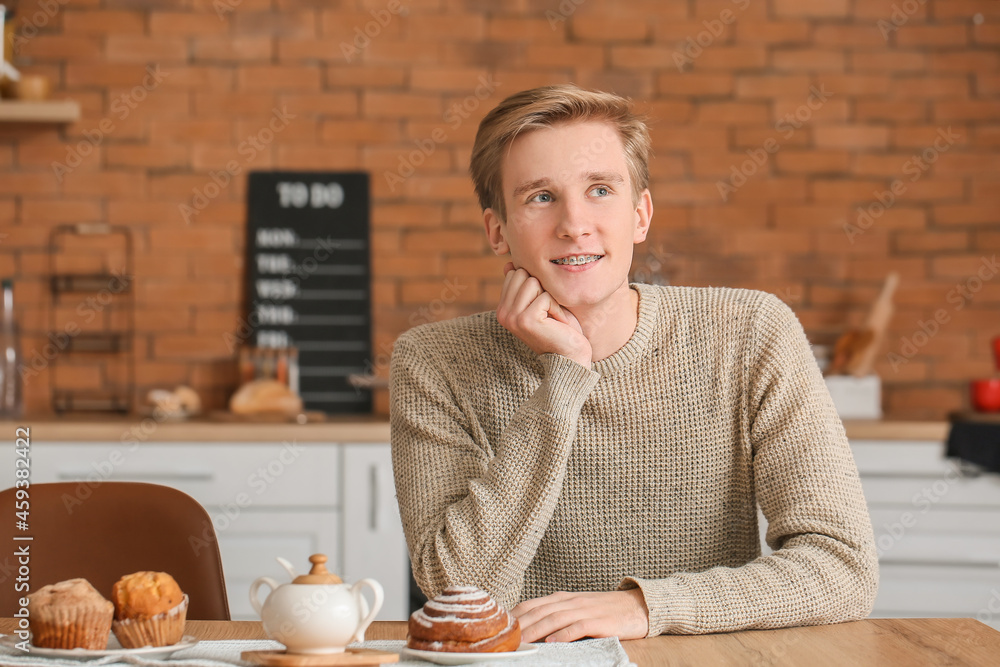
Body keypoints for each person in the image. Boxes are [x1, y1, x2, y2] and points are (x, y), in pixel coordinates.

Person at [389, 84, 878, 643]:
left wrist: (644, 608)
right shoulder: (433, 362)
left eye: (600, 190)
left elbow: (843, 568)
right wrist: (564, 379)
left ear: (640, 214)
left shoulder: (749, 331)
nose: (575, 223)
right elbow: (460, 592)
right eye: (540, 197)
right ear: (498, 231)